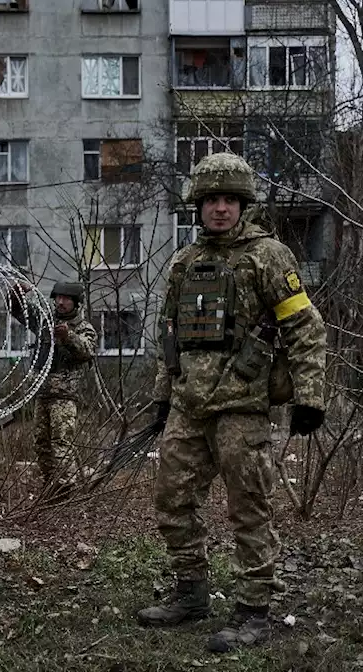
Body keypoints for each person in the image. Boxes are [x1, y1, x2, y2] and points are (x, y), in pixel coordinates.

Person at [136, 153, 326, 653]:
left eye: (229, 200)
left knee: (249, 509)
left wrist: (310, 395)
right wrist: (161, 398)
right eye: (211, 200)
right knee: (171, 502)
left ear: (243, 205)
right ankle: (191, 593)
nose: (220, 209)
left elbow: (304, 329)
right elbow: (170, 337)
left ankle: (254, 610)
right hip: (187, 405)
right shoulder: (183, 261)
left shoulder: (268, 256)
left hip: (242, 407)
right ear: (198, 206)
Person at [7, 281, 97, 498]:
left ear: (76, 303)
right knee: (42, 444)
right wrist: (16, 293)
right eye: (58, 298)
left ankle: (66, 490)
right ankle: (51, 486)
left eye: (66, 299)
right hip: (43, 393)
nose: (60, 302)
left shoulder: (84, 328)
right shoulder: (46, 321)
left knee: (61, 442)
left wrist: (68, 337)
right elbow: (20, 311)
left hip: (64, 396)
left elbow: (87, 351)